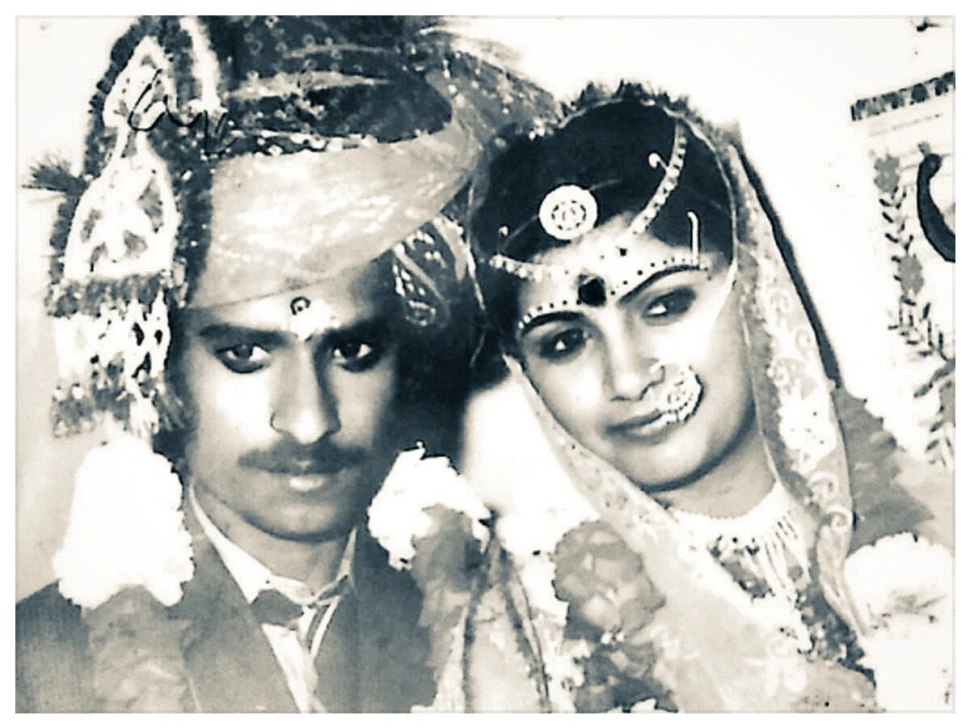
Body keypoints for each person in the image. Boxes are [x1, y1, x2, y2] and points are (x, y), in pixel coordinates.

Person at [16, 16, 552, 713]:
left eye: (352, 351)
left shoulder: (517, 633)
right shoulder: (34, 669)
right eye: (246, 353)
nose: (308, 420)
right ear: (164, 371)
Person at [465, 84, 954, 711]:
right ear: (524, 372)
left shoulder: (943, 522)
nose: (628, 377)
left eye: (665, 305)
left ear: (753, 283)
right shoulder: (536, 651)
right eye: (566, 342)